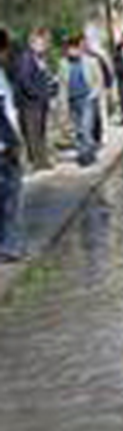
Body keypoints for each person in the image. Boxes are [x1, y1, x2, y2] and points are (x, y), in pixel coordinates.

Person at [13, 28, 57, 171]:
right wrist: (38, 94)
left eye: (44, 43)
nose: (44, 45)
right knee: (33, 133)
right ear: (32, 43)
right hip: (30, 104)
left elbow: (43, 77)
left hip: (40, 102)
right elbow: (24, 81)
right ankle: (37, 162)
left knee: (41, 131)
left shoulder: (39, 58)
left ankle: (42, 160)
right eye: (40, 42)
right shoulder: (26, 58)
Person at [60, 35, 104, 167]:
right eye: (70, 49)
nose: (72, 52)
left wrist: (93, 95)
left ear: (79, 49)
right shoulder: (63, 64)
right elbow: (63, 85)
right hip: (72, 100)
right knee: (78, 130)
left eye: (75, 49)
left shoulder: (91, 61)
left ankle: (86, 156)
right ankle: (85, 152)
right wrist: (63, 103)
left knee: (86, 128)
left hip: (86, 99)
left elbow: (99, 80)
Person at [0, 29, 25, 262]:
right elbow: (3, 114)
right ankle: (10, 247)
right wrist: (14, 142)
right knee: (11, 199)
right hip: (4, 148)